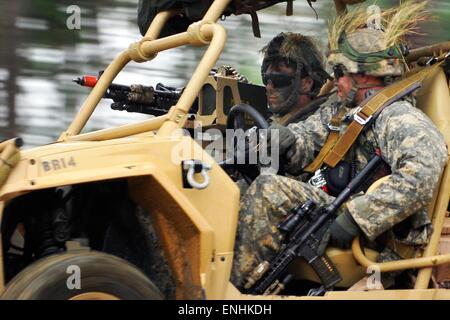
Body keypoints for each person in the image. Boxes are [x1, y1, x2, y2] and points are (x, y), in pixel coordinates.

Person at [231, 1, 448, 290]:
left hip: (371, 226)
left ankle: (237, 291)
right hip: (331, 202)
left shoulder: (401, 119)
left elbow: (421, 177)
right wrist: (287, 139)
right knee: (236, 188)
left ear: (366, 75)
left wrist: (357, 217)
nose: (335, 82)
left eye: (340, 73)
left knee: (269, 189)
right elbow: (311, 136)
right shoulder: (341, 110)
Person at [260, 32, 332, 126]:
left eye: (278, 79)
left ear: (306, 83)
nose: (268, 87)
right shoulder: (267, 117)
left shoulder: (318, 126)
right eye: (266, 78)